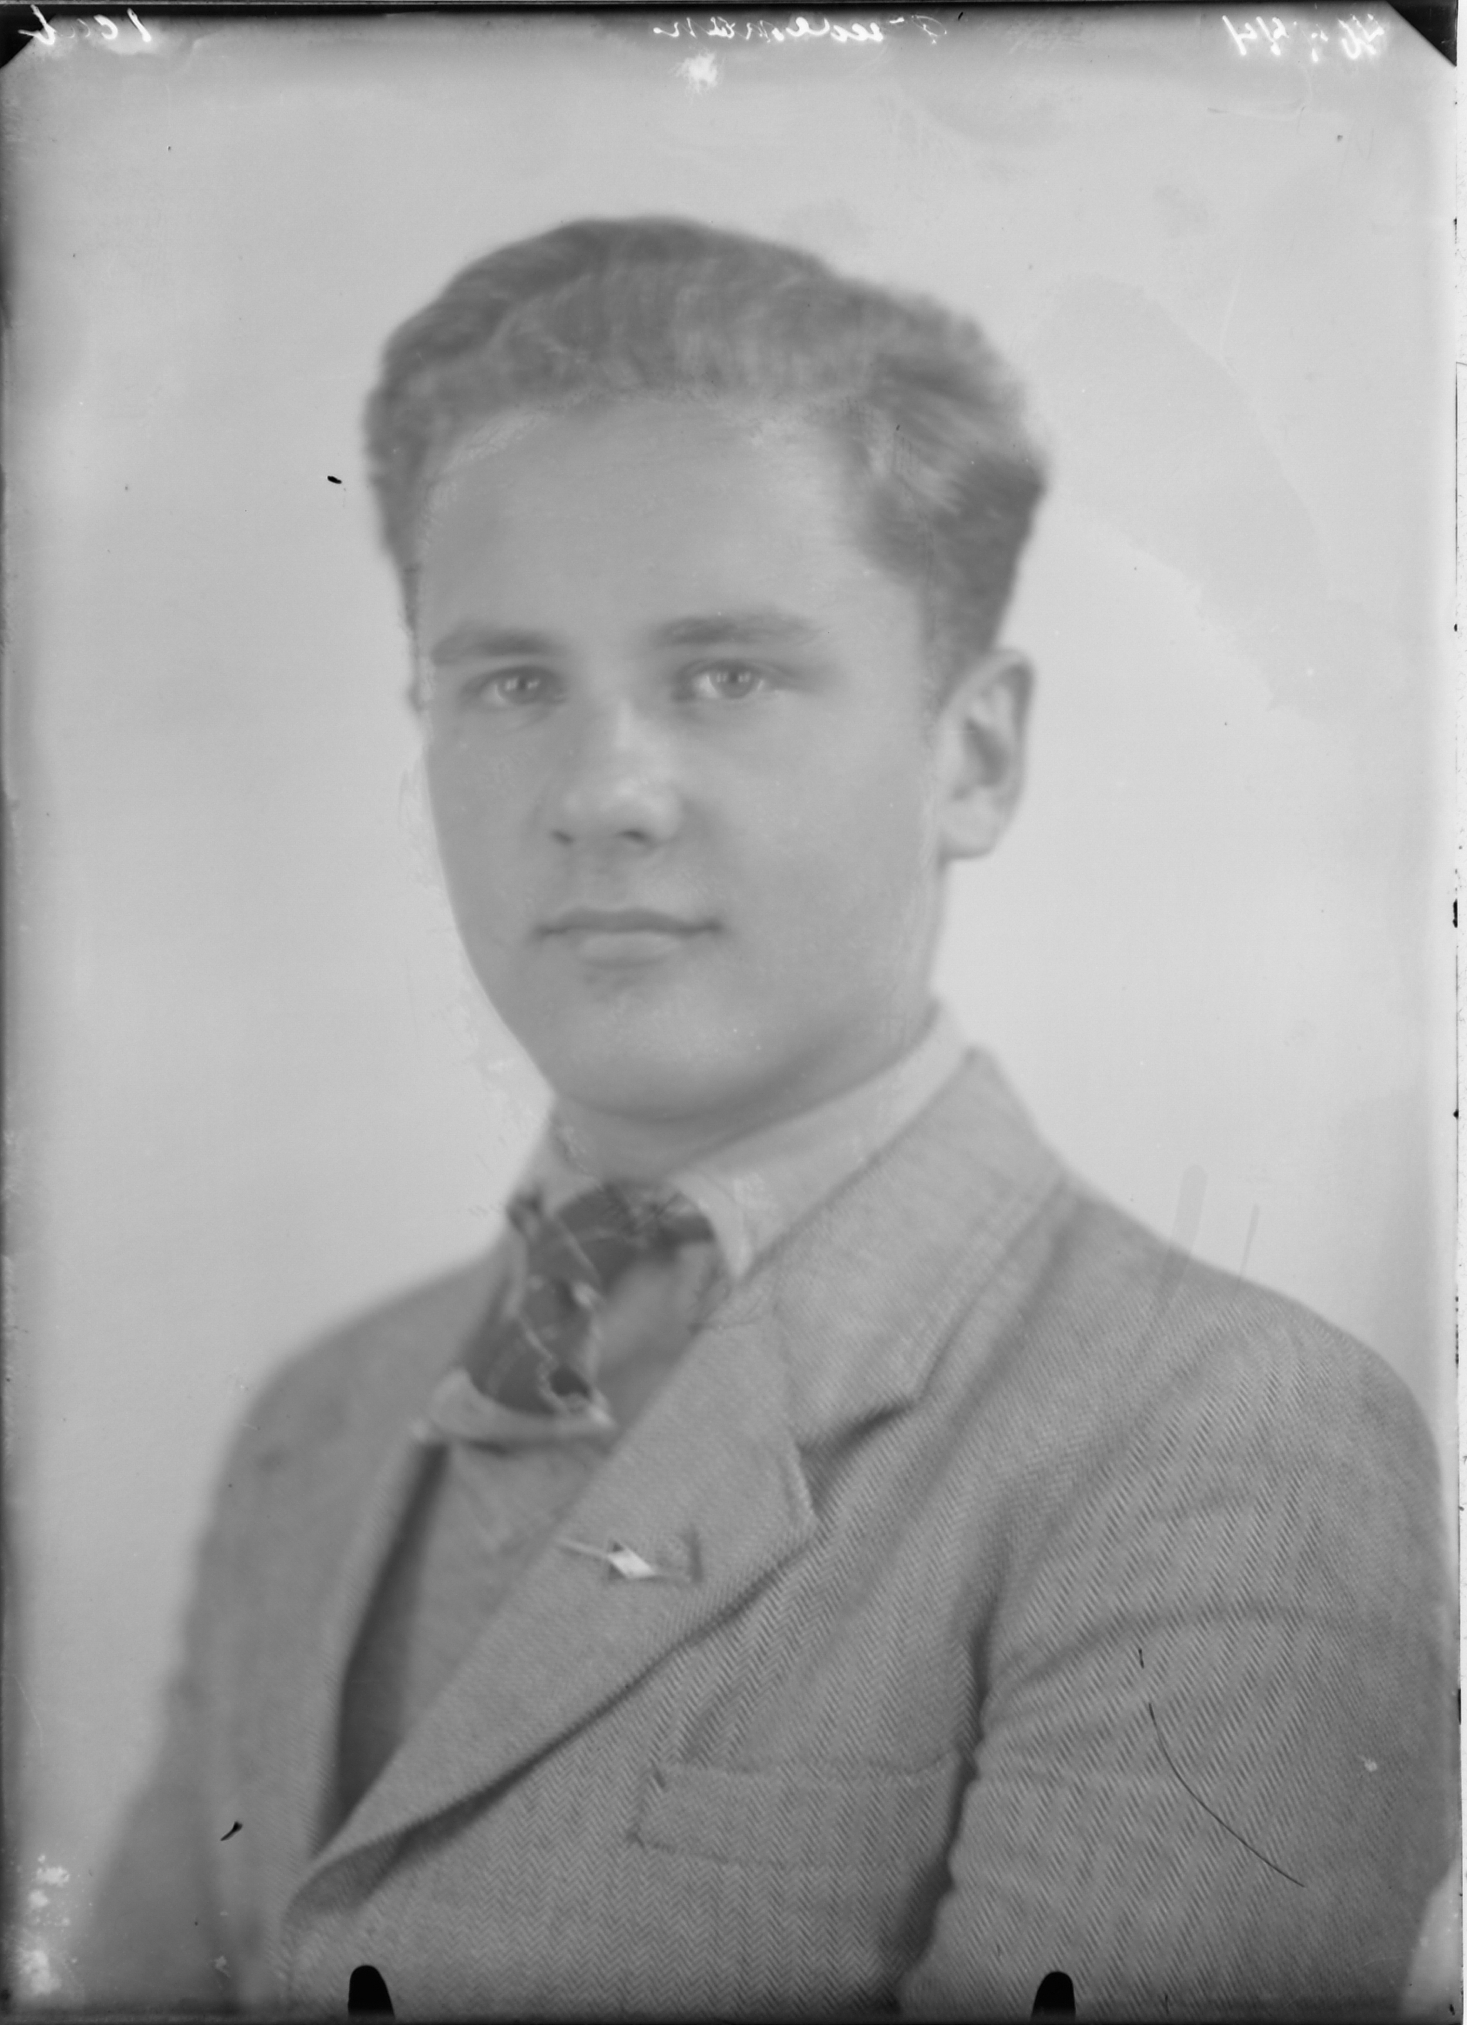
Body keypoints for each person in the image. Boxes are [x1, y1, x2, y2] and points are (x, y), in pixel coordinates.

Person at [78, 217, 1454, 2018]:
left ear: (975, 755)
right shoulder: (318, 1419)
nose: (604, 793)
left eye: (725, 674)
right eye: (512, 683)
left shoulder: (1223, 1440)